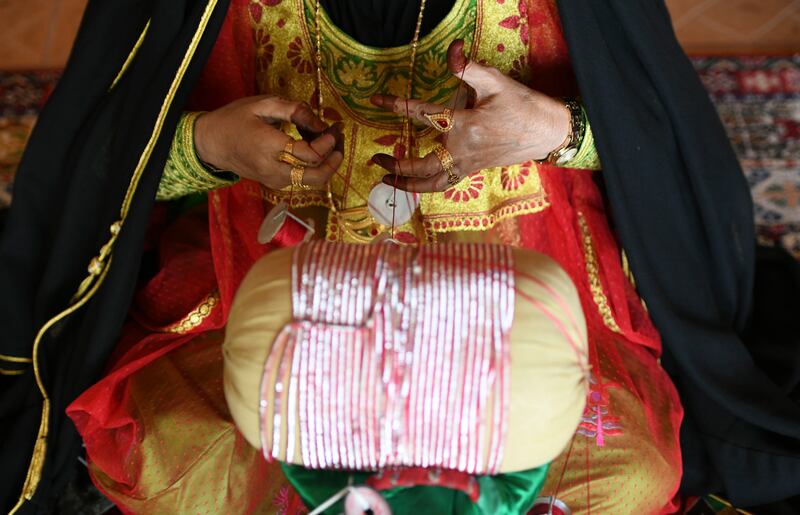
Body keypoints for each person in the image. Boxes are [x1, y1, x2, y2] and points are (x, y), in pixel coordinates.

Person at [1, 0, 798, 514]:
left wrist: (557, 131)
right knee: (169, 449)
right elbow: (96, 161)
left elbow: (671, 149)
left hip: (522, 308)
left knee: (630, 473)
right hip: (262, 289)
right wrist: (212, 144)